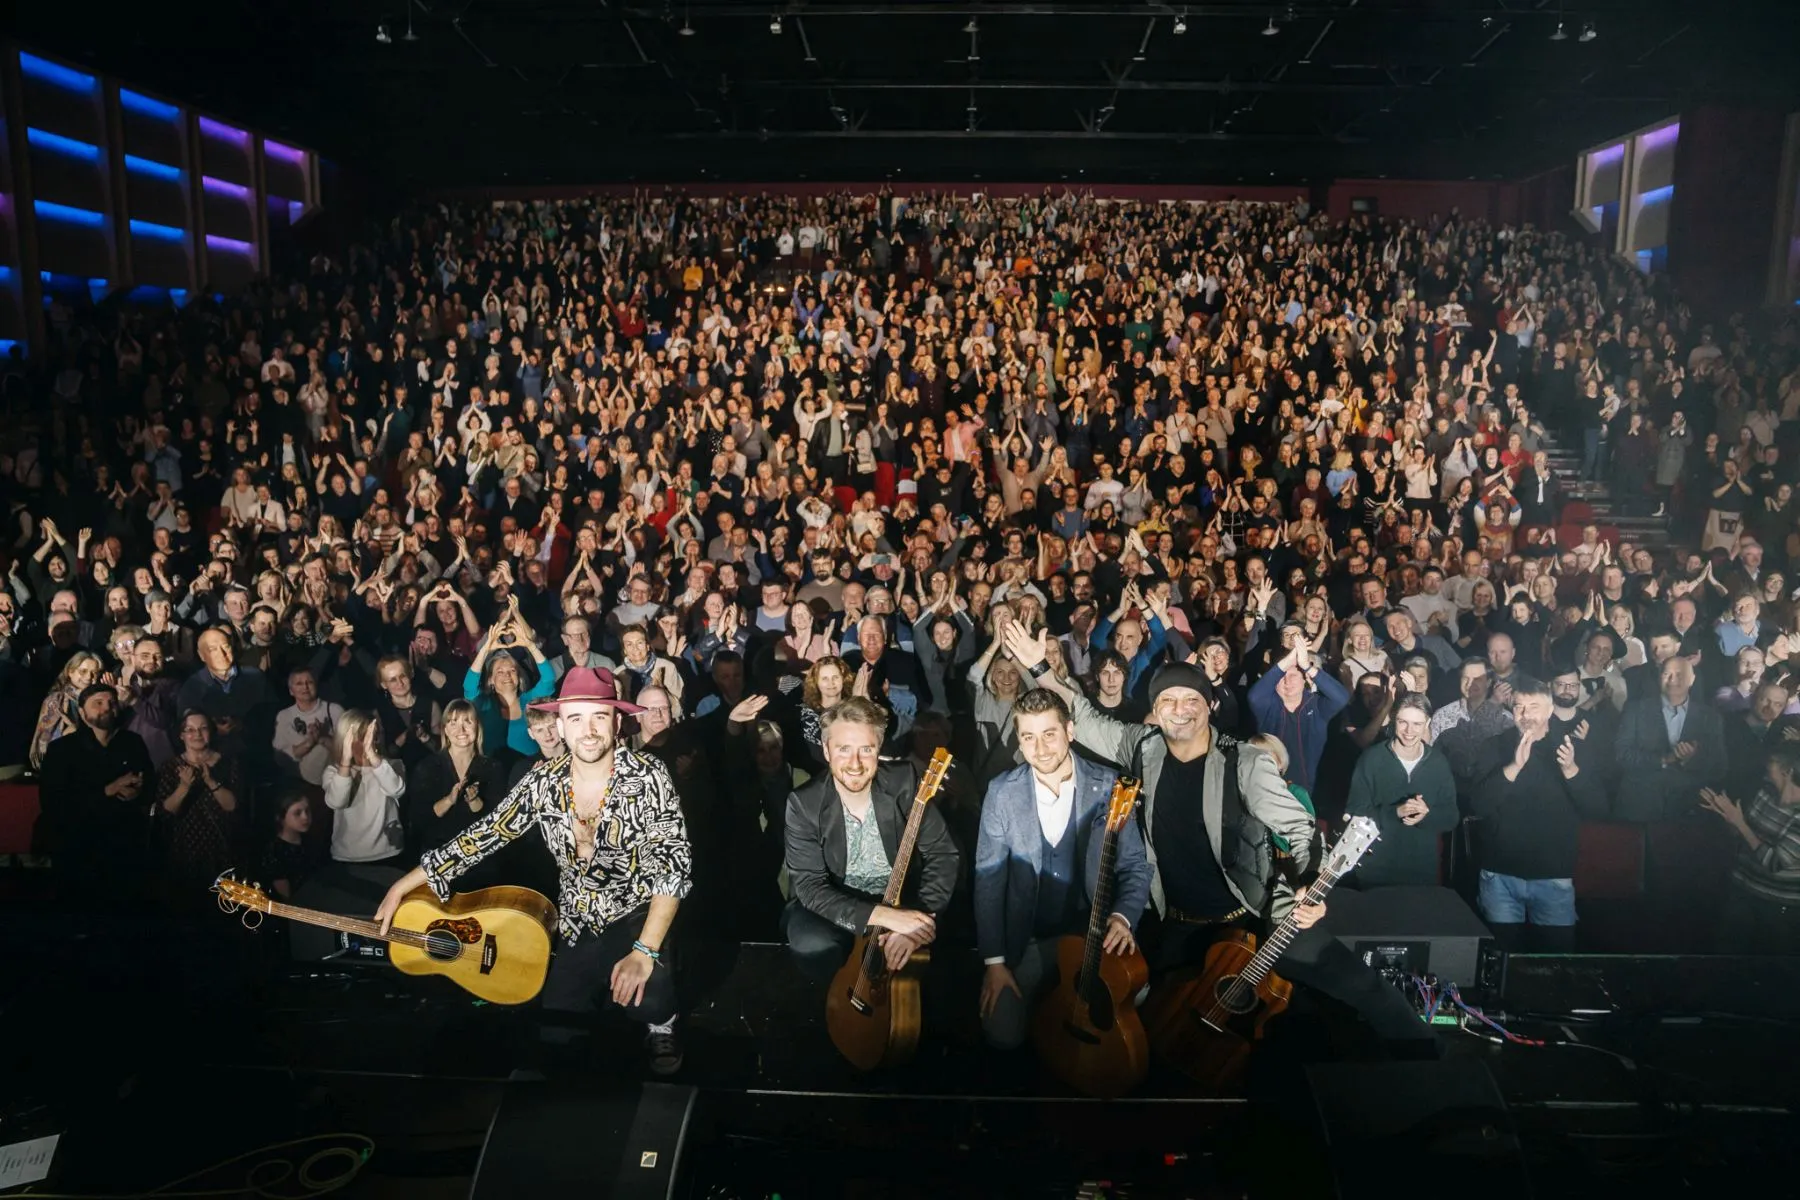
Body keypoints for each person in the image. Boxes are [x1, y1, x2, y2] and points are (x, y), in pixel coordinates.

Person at [1001, 623, 1435, 1054]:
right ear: (1155, 708)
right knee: (1154, 1032)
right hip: (1177, 925)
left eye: (1192, 699)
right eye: (1167, 700)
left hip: (1249, 916)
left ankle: (1430, 1060)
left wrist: (1310, 883)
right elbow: (1086, 719)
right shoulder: (1143, 745)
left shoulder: (1245, 763)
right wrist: (1039, 666)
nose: (1180, 709)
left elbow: (1300, 830)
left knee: (1352, 983)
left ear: (1210, 704)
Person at [374, 667, 691, 1075]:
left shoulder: (649, 777)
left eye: (598, 716)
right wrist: (406, 882)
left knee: (651, 997)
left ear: (616, 720)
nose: (588, 730)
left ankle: (661, 1022)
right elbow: (483, 836)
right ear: (560, 724)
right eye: (576, 718)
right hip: (578, 921)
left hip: (637, 916)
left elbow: (673, 868)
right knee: (557, 1033)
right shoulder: (543, 782)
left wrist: (645, 953)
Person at [973, 688, 1151, 1050]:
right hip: (1030, 940)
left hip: (1091, 935)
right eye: (1028, 737)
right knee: (1002, 1034)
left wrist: (1122, 917)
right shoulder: (1001, 792)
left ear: (1070, 731)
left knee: (1137, 996)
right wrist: (994, 962)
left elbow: (1135, 865)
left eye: (1049, 734)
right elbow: (988, 881)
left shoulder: (1111, 786)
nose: (1040, 749)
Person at [781, 696, 960, 983]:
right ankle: (830, 1003)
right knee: (810, 942)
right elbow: (810, 887)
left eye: (866, 749)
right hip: (835, 905)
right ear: (826, 751)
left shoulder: (905, 782)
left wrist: (917, 922)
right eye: (843, 749)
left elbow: (942, 854)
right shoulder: (804, 804)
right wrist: (882, 917)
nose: (855, 763)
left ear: (879, 749)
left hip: (902, 902)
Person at [1468, 678, 1611, 952]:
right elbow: (1478, 806)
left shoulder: (1573, 748)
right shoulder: (1495, 746)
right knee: (1500, 962)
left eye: (1534, 707)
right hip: (1500, 877)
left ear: (1549, 711)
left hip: (1552, 878)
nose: (1525, 714)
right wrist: (1513, 767)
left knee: (1555, 964)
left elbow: (1598, 809)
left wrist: (1570, 770)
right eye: (1519, 707)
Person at [37, 683, 155, 903]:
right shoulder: (62, 750)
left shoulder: (132, 743)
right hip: (78, 846)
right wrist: (107, 790)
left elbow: (149, 786)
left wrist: (137, 793)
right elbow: (53, 801)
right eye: (97, 703)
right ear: (82, 712)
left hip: (122, 845)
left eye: (111, 703)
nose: (106, 708)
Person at [1344, 695, 1460, 888]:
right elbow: (1354, 814)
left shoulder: (1438, 762)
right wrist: (1395, 812)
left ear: (1427, 723)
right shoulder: (1371, 759)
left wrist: (1426, 815)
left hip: (1422, 872)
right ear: (1393, 719)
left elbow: (1451, 817)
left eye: (1417, 724)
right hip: (1375, 871)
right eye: (1403, 722)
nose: (1409, 731)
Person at [1702, 751, 1800, 955]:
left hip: (1779, 906)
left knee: (1773, 968)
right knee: (1727, 958)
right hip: (1742, 891)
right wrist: (1727, 816)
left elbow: (1774, 863)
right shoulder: (1765, 793)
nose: (1766, 769)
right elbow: (1743, 837)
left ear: (1788, 771)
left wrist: (1740, 823)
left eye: (1772, 765)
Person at [1615, 657, 1727, 823]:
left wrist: (1692, 759)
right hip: (1639, 806)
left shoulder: (1709, 717)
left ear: (1692, 679)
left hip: (1687, 810)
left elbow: (1720, 768)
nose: (1672, 680)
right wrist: (1664, 759)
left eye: (1679, 674)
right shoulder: (1635, 709)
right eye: (1667, 673)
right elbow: (1621, 756)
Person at [154, 710, 245, 902]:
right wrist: (184, 786)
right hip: (185, 850)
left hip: (222, 848)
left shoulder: (228, 763)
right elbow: (166, 812)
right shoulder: (170, 767)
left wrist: (211, 781)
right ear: (181, 735)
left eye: (203, 729)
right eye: (190, 729)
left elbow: (233, 806)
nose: (197, 734)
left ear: (211, 732)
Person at [406, 699, 503, 860]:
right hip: (439, 856)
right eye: (453, 723)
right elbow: (418, 819)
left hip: (479, 857)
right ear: (445, 729)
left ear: (477, 726)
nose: (462, 729)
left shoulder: (493, 767)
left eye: (468, 721)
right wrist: (449, 800)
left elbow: (496, 821)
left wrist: (474, 801)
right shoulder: (428, 766)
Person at [322, 710, 407, 865]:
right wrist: (346, 761)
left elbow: (396, 790)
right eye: (362, 737)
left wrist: (374, 759)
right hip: (347, 855)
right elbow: (337, 802)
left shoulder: (392, 765)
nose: (370, 742)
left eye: (373, 735)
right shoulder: (334, 771)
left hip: (388, 852)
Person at [31, 650, 101, 769]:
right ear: (70, 672)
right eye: (83, 671)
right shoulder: (56, 700)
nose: (89, 677)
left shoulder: (101, 699)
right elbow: (44, 743)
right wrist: (69, 732)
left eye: (94, 673)